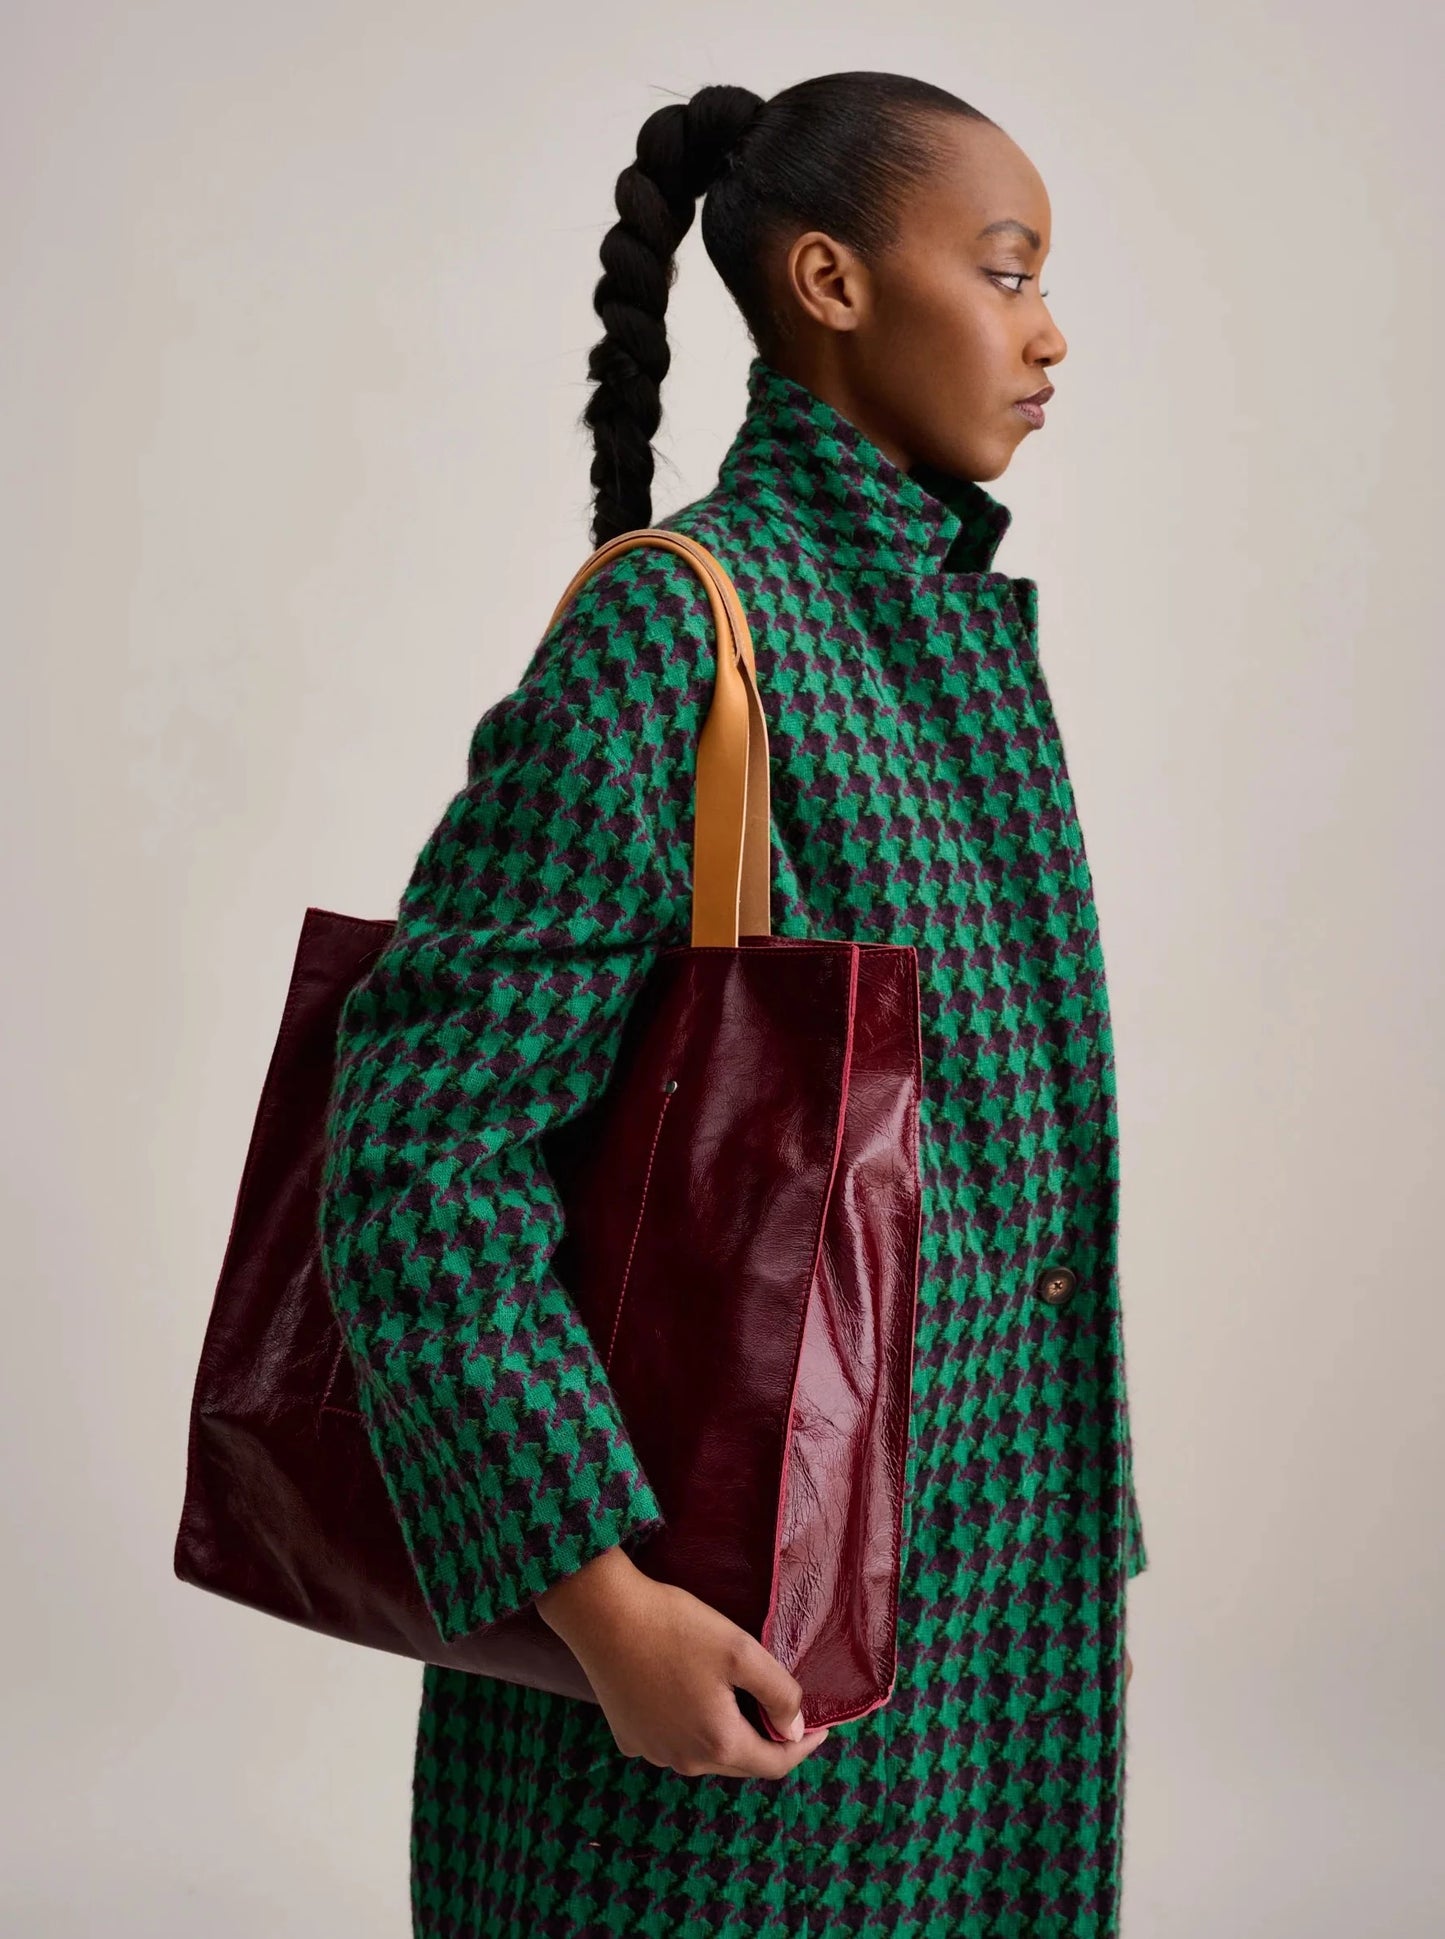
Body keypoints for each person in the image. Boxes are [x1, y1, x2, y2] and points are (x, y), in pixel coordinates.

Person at [318, 67, 1148, 1939]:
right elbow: (417, 1159)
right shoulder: (677, 633)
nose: (1048, 334)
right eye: (1006, 271)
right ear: (832, 283)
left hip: (972, 1649)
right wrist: (592, 1597)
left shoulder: (936, 637)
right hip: (715, 1682)